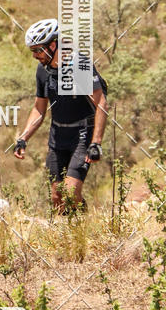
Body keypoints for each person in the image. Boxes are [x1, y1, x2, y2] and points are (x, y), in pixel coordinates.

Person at [13, 18, 108, 213]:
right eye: (32, 51)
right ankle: (70, 235)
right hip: (58, 135)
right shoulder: (43, 71)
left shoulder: (79, 65)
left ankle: (85, 226)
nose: (35, 55)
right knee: (57, 196)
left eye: (38, 50)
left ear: (54, 44)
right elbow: (39, 108)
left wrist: (96, 142)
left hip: (82, 133)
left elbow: (101, 103)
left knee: (71, 192)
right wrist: (23, 138)